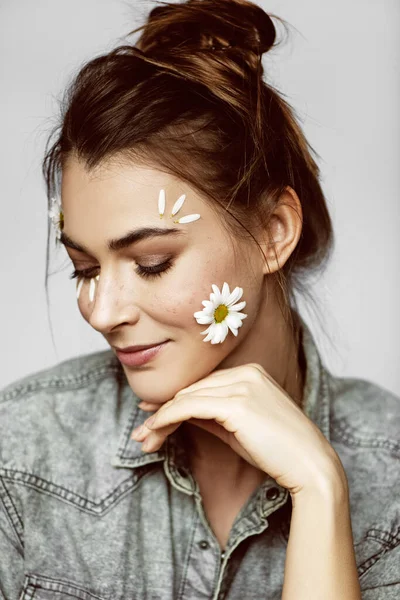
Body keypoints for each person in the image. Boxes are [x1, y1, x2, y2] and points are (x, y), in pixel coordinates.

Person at [0, 0, 398, 598]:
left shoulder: (390, 477)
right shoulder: (21, 453)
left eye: (151, 263)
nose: (103, 313)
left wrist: (319, 488)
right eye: (84, 269)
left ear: (272, 233)